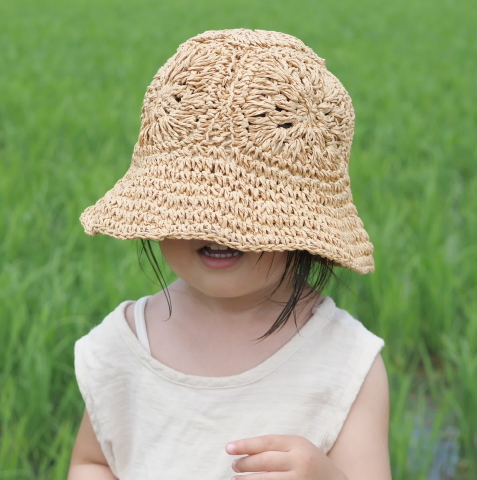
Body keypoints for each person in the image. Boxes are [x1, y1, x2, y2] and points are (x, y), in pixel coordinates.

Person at [68, 29, 390, 480]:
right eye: (193, 202)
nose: (216, 227)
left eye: (247, 211)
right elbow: (93, 460)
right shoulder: (122, 348)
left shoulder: (346, 363)